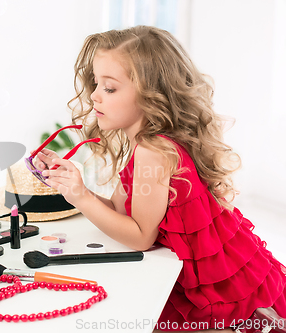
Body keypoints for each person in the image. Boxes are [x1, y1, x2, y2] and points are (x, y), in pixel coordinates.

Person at [34, 26, 286, 332]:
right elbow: (120, 209)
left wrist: (82, 198)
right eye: (96, 83)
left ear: (151, 95)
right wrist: (74, 186)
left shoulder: (154, 150)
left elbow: (140, 236)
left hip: (211, 288)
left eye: (109, 88)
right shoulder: (145, 142)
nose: (94, 95)